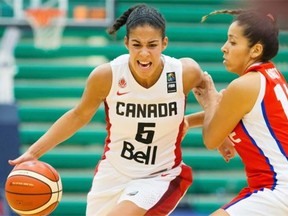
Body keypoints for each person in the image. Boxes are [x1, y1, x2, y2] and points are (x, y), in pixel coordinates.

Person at [9, 4, 206, 216]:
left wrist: (214, 130)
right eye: (137, 44)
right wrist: (33, 152)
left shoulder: (183, 73)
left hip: (160, 175)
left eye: (152, 45)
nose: (144, 53)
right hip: (112, 173)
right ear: (126, 43)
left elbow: (211, 92)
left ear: (164, 43)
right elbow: (78, 115)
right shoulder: (107, 76)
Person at [192, 9, 288, 216]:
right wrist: (185, 123)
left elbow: (210, 139)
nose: (224, 48)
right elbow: (229, 116)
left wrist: (210, 102)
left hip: (277, 187)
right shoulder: (270, 74)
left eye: (233, 42)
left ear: (255, 50)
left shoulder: (243, 86)